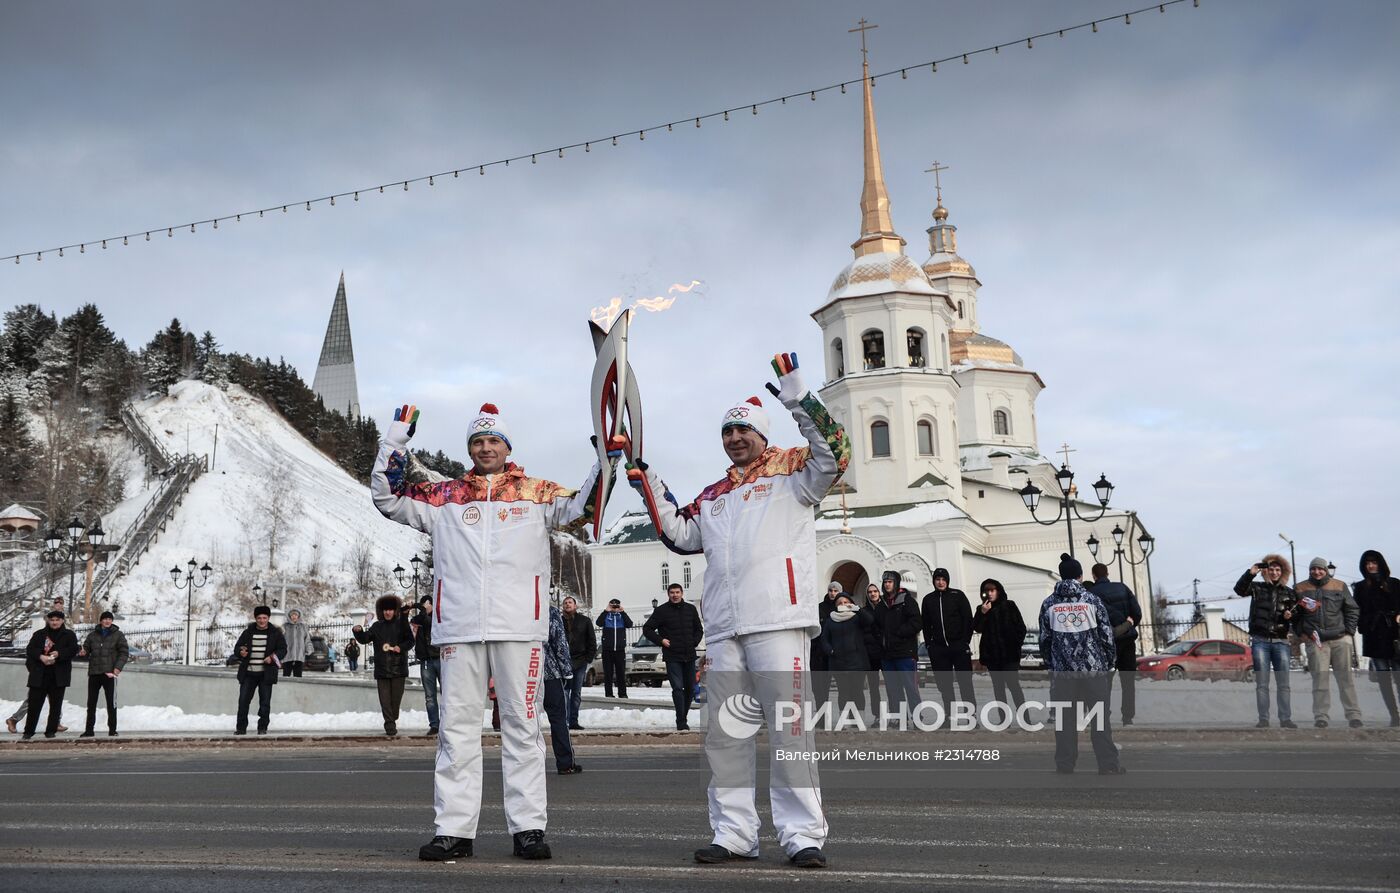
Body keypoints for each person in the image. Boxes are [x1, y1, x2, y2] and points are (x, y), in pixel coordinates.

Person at [626, 352, 849, 869]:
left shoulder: (796, 475)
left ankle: (801, 835)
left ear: (762, 435)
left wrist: (796, 395)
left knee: (790, 732)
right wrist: (647, 478)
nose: (734, 438)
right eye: (728, 431)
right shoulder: (715, 496)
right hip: (726, 629)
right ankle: (734, 833)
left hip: (779, 621)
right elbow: (680, 536)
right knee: (726, 736)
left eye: (744, 430)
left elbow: (836, 452)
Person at [371, 401, 605, 862]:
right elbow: (387, 499)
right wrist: (395, 440)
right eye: (477, 441)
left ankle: (529, 829)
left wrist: (605, 461)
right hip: (458, 626)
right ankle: (454, 829)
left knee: (521, 725)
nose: (485, 447)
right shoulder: (445, 496)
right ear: (470, 448)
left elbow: (584, 508)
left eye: (493, 440)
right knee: (457, 729)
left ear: (507, 446)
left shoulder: (535, 493)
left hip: (520, 626)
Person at [1039, 554, 1123, 775]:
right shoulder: (1092, 601)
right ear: (1080, 576)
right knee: (1100, 720)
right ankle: (1108, 764)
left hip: (1063, 674)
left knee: (1065, 721)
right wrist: (1109, 662)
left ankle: (1065, 765)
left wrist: (1053, 663)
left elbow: (1044, 639)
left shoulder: (1049, 603)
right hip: (1093, 671)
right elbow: (1106, 635)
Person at [1294, 557, 1362, 728]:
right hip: (1316, 642)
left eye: (1320, 569)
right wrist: (1301, 633)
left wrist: (1349, 631)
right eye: (1313, 569)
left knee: (1345, 679)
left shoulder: (1339, 585)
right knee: (1320, 680)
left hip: (1340, 639)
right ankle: (1321, 716)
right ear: (1309, 570)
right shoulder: (1300, 588)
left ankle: (1354, 715)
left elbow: (1352, 608)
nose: (1317, 572)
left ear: (1325, 570)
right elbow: (1296, 615)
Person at [1234, 554, 1298, 728]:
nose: (1275, 573)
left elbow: (1298, 615)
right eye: (1271, 569)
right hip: (1260, 641)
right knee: (1262, 683)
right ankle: (1264, 719)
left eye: (1278, 570)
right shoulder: (1257, 588)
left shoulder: (1290, 593)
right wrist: (1251, 573)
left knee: (1283, 683)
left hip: (1281, 642)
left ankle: (1285, 719)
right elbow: (1239, 590)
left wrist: (1290, 615)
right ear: (1266, 571)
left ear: (1283, 572)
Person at [642, 583, 704, 731]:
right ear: (668, 594)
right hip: (672, 656)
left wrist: (694, 642)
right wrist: (661, 640)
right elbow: (647, 628)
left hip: (689, 655)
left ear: (682, 593)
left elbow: (698, 629)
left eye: (677, 592)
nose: (675, 595)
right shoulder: (662, 611)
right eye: (672, 592)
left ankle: (684, 716)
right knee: (677, 688)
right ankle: (681, 721)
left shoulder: (690, 609)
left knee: (689, 688)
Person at [1087, 563, 1143, 726]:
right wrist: (1128, 625)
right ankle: (1127, 717)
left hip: (1105, 646)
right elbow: (1137, 613)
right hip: (1127, 642)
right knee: (1128, 682)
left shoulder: (1090, 594)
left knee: (1105, 683)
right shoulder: (1122, 588)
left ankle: (1104, 714)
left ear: (1094, 576)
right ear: (1107, 573)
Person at [354, 595, 416, 736]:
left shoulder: (402, 624)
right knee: (385, 700)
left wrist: (400, 647)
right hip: (382, 670)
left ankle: (392, 718)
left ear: (395, 611)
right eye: (385, 610)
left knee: (395, 702)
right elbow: (365, 639)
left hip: (398, 669)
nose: (388, 612)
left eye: (390, 610)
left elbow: (410, 641)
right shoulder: (376, 626)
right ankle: (389, 725)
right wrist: (357, 631)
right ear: (381, 611)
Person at [1353, 550, 1400, 727]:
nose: (1371, 566)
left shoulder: (1394, 583)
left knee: (1398, 677)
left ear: (1380, 563)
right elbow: (1357, 610)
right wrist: (1363, 625)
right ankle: (1394, 715)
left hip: (1394, 635)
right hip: (1374, 635)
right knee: (1383, 679)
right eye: (1367, 563)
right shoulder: (1361, 586)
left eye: (1373, 562)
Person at [921, 568, 976, 716]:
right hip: (939, 649)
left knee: (965, 683)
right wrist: (929, 644)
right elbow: (925, 624)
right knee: (944, 685)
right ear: (934, 581)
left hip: (958, 646)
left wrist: (965, 642)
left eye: (943, 579)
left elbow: (968, 619)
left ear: (947, 581)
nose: (940, 582)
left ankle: (970, 716)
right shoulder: (928, 599)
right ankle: (949, 716)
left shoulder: (957, 595)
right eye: (937, 579)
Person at [22, 610, 79, 740]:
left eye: (57, 620)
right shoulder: (39, 634)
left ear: (62, 621)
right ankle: (28, 731)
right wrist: (41, 656)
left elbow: (73, 649)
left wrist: (59, 654)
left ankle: (51, 731)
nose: (54, 622)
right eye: (52, 620)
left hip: (58, 676)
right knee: (34, 705)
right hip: (39, 674)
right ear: (48, 621)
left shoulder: (69, 635)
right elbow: (30, 649)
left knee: (55, 706)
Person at [873, 571, 923, 717]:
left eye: (890, 581)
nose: (887, 584)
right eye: (885, 582)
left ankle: (917, 717)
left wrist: (899, 633)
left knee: (911, 688)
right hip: (887, 655)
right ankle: (899, 718)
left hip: (905, 653)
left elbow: (916, 623)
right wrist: (881, 639)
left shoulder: (907, 600)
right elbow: (876, 627)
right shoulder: (881, 605)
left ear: (896, 582)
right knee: (893, 689)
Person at [972, 579, 1026, 712]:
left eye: (992, 590)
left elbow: (1021, 628)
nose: (989, 594)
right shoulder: (981, 608)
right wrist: (984, 613)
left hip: (1009, 656)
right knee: (998, 687)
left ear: (998, 591)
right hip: (993, 656)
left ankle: (1026, 718)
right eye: (987, 591)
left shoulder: (1009, 605)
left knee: (1014, 686)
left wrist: (1015, 645)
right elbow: (978, 628)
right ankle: (1004, 719)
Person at [233, 605, 287, 735]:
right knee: (243, 701)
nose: (262, 620)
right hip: (248, 674)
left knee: (265, 703)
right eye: (259, 618)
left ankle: (262, 728)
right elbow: (237, 648)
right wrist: (241, 652)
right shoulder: (248, 632)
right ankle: (241, 728)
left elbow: (283, 650)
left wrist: (273, 657)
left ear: (268, 618)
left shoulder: (276, 633)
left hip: (266, 674)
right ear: (255, 618)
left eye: (264, 618)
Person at [542, 604, 582, 775]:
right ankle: (565, 762)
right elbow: (559, 642)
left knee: (520, 720)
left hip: (519, 674)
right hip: (548, 672)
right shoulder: (547, 609)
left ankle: (522, 765)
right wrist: (567, 672)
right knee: (558, 718)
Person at [79, 610, 129, 737]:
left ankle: (112, 730)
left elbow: (124, 653)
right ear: (101, 621)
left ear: (112, 621)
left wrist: (118, 668)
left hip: (110, 674)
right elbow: (86, 650)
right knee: (91, 703)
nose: (107, 621)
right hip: (94, 673)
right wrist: (83, 653)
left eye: (109, 619)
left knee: (111, 703)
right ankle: (89, 730)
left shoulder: (118, 635)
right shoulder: (92, 635)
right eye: (105, 619)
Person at [819, 594, 871, 714]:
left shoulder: (856, 617)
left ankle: (859, 718)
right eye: (840, 603)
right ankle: (845, 719)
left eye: (845, 602)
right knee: (843, 692)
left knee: (857, 691)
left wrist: (857, 609)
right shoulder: (831, 619)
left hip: (857, 662)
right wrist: (830, 650)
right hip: (838, 663)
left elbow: (869, 620)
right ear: (836, 605)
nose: (843, 605)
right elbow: (824, 639)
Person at [560, 596, 596, 730]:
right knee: (564, 692)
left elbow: (592, 641)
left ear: (575, 606)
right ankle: (564, 721)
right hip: (563, 662)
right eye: (565, 603)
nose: (567, 604)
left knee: (576, 693)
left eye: (570, 602)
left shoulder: (584, 621)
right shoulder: (559, 620)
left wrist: (588, 659)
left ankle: (573, 721)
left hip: (580, 661)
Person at [410, 595, 442, 735]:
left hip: (440, 658)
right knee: (430, 696)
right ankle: (434, 724)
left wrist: (421, 609)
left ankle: (447, 723)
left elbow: (428, 622)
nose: (425, 607)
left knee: (447, 693)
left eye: (427, 604)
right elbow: (414, 621)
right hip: (426, 661)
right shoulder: (419, 619)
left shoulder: (437, 618)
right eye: (424, 605)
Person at [811, 582, 843, 709]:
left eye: (836, 591)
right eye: (831, 590)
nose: (833, 593)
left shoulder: (842, 608)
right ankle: (821, 716)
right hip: (820, 655)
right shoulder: (819, 608)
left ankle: (846, 717)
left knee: (843, 689)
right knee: (819, 688)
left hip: (837, 655)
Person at [595, 598, 634, 698]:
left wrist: (623, 612)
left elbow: (630, 624)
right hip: (607, 650)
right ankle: (609, 694)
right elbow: (598, 623)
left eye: (616, 605)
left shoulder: (621, 616)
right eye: (613, 605)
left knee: (621, 673)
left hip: (620, 650)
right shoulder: (606, 616)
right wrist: (606, 610)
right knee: (608, 673)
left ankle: (623, 694)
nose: (614, 607)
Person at [860, 583, 884, 712]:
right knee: (874, 688)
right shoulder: (864, 611)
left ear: (879, 592)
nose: (873, 594)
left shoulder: (886, 608)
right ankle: (877, 714)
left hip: (886, 653)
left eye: (875, 591)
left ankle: (896, 714)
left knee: (893, 686)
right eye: (870, 592)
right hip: (870, 655)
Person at [282, 608, 312, 678]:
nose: (294, 616)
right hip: (287, 655)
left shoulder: (303, 627)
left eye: (295, 615)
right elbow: (280, 640)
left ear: (298, 616)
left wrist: (309, 648)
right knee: (286, 676)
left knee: (298, 677)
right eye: (292, 615)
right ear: (289, 616)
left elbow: (307, 639)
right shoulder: (285, 626)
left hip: (299, 655)